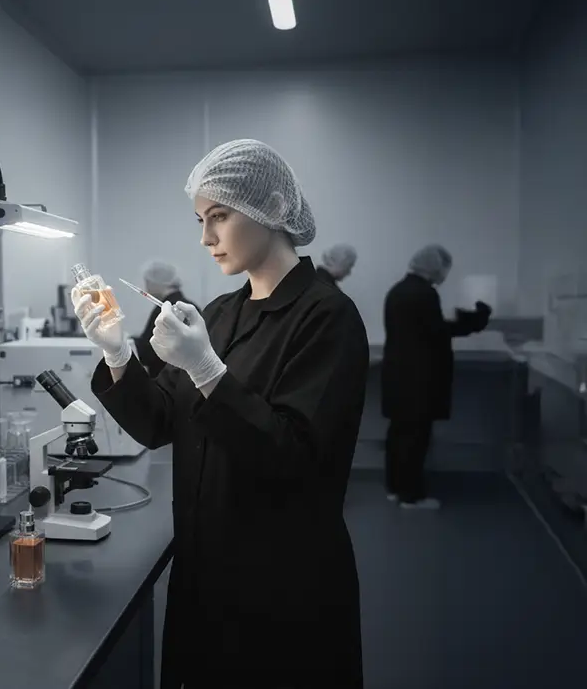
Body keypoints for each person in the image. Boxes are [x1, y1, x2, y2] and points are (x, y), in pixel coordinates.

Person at [72, 139, 369, 689]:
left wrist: (209, 371)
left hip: (284, 589)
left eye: (219, 217)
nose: (205, 238)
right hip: (205, 574)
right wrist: (116, 352)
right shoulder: (221, 312)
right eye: (199, 219)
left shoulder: (328, 317)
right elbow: (161, 421)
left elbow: (294, 455)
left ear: (273, 208)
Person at [381, 245, 492, 510]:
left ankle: (396, 489)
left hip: (398, 377)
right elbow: (437, 332)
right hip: (418, 380)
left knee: (399, 435)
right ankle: (412, 496)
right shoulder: (424, 294)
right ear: (434, 267)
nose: (444, 274)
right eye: (444, 269)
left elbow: (421, 329)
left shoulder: (398, 290)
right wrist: (473, 322)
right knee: (416, 438)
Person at [132, 260, 199, 377]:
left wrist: (127, 344)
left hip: (168, 380)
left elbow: (148, 352)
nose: (146, 288)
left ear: (156, 282)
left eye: (148, 282)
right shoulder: (191, 307)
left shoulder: (164, 309)